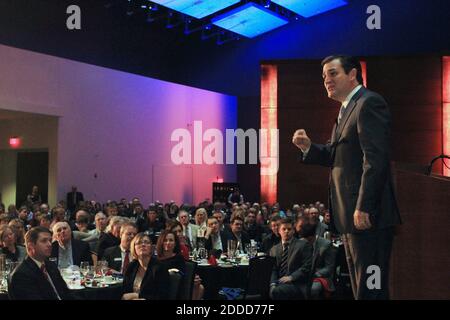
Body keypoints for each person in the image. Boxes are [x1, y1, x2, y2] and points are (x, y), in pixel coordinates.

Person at [292, 55, 401, 300]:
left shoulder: (368, 103)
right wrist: (308, 147)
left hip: (367, 216)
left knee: (371, 289)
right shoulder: (345, 109)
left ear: (352, 74)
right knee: (361, 289)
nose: (326, 81)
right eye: (323, 77)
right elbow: (335, 153)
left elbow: (375, 159)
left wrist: (364, 206)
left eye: (333, 73)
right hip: (350, 216)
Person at [8, 226, 71, 300]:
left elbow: (66, 293)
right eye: (44, 241)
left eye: (50, 240)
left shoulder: (50, 265)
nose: (49, 244)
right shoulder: (21, 275)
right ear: (30, 246)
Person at [269, 218, 312, 300]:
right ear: (279, 231)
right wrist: (273, 284)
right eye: (283, 229)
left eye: (289, 229)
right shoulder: (274, 249)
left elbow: (307, 266)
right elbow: (273, 269)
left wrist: (291, 277)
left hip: (296, 282)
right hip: (279, 282)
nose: (286, 231)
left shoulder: (302, 245)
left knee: (277, 291)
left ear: (293, 231)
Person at [122, 232, 170, 300]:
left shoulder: (159, 267)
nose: (143, 245)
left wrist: (137, 295)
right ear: (134, 247)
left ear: (151, 247)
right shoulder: (132, 266)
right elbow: (125, 290)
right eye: (139, 243)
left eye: (146, 242)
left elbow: (162, 295)